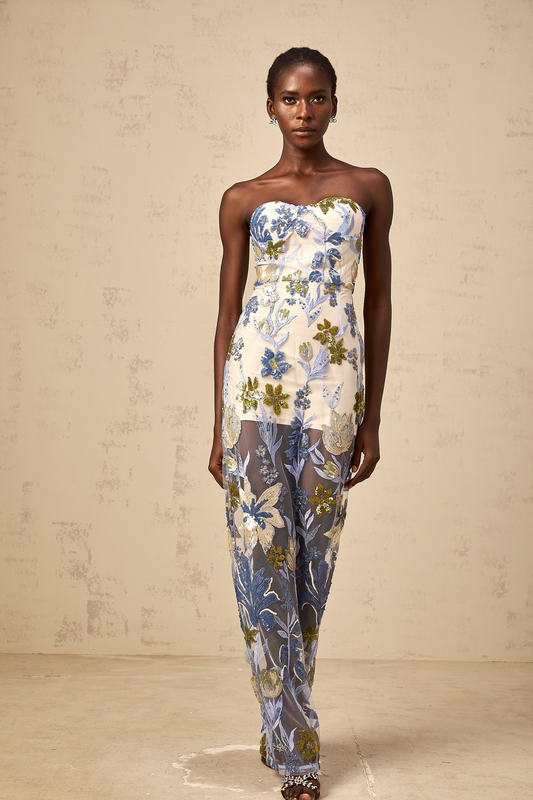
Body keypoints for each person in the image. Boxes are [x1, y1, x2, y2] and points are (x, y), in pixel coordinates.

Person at [208, 46, 392, 800]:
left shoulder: (366, 188)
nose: (304, 111)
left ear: (335, 103)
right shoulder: (243, 199)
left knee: (310, 572)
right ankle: (297, 756)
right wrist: (217, 428)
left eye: (316, 98)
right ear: (269, 107)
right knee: (262, 572)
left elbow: (377, 303)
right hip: (254, 399)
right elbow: (227, 315)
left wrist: (371, 417)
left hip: (332, 401)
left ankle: (281, 725)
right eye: (290, 98)